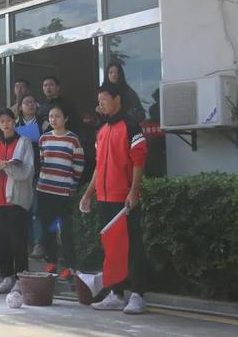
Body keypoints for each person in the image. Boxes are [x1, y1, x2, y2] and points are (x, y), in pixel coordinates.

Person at [80, 82, 148, 315]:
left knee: (133, 246)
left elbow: (139, 160)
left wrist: (134, 191)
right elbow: (99, 165)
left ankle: (138, 294)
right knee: (112, 248)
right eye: (98, 100)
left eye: (104, 99)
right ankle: (116, 294)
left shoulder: (131, 125)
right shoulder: (102, 129)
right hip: (105, 198)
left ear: (117, 98)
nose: (100, 104)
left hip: (124, 198)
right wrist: (89, 193)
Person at [0, 108, 34, 294]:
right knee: (1, 241)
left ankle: (21, 278)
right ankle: (7, 277)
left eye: (9, 120)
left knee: (19, 241)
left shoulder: (24, 142)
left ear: (14, 121)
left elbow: (27, 171)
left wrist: (7, 167)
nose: (6, 124)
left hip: (16, 200)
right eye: (2, 121)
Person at [37, 104, 85, 280]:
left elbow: (78, 166)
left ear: (65, 118)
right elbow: (42, 161)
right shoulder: (44, 138)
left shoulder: (73, 140)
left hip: (64, 191)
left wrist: (71, 184)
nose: (53, 120)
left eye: (57, 116)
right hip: (45, 189)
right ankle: (51, 261)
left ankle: (69, 266)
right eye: (51, 116)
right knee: (48, 228)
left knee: (65, 230)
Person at [15, 93, 45, 259]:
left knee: (37, 209)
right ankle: (25, 243)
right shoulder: (15, 125)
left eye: (33, 102)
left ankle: (38, 243)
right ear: (20, 107)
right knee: (23, 209)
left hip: (39, 171)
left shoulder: (44, 123)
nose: (31, 105)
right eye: (27, 102)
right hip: (21, 173)